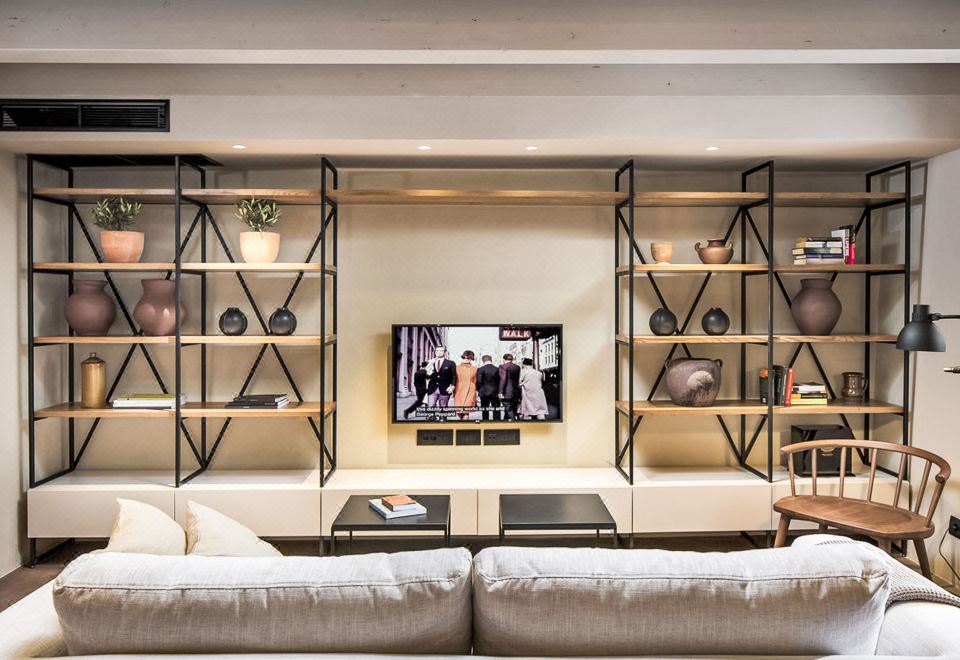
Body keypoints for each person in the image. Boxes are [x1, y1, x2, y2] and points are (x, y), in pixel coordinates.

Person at [426, 345, 457, 417]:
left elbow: (453, 376)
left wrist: (452, 386)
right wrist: (428, 369)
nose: (439, 352)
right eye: (437, 351)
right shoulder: (430, 362)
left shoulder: (451, 363)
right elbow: (426, 375)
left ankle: (443, 421)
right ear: (435, 352)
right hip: (432, 388)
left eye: (441, 350)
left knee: (443, 407)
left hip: (445, 388)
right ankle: (431, 421)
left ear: (444, 352)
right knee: (430, 407)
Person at [453, 350, 478, 419]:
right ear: (463, 357)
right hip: (459, 390)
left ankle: (465, 424)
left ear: (471, 359)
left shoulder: (474, 369)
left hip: (470, 390)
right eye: (465, 357)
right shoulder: (456, 368)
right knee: (459, 410)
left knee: (466, 411)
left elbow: (475, 381)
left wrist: (476, 392)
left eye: (469, 358)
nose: (467, 359)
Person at [476, 355, 501, 421]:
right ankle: (497, 423)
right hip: (495, 392)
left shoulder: (480, 369)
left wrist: (478, 390)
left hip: (484, 392)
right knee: (496, 409)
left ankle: (485, 423)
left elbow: (478, 381)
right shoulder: (497, 369)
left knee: (484, 410)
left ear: (483, 361)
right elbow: (500, 381)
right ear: (491, 360)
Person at [498, 353, 521, 420]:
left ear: (504, 359)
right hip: (515, 391)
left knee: (508, 409)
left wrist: (500, 392)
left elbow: (503, 379)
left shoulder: (503, 367)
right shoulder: (517, 367)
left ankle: (514, 423)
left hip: (506, 392)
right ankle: (506, 422)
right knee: (511, 408)